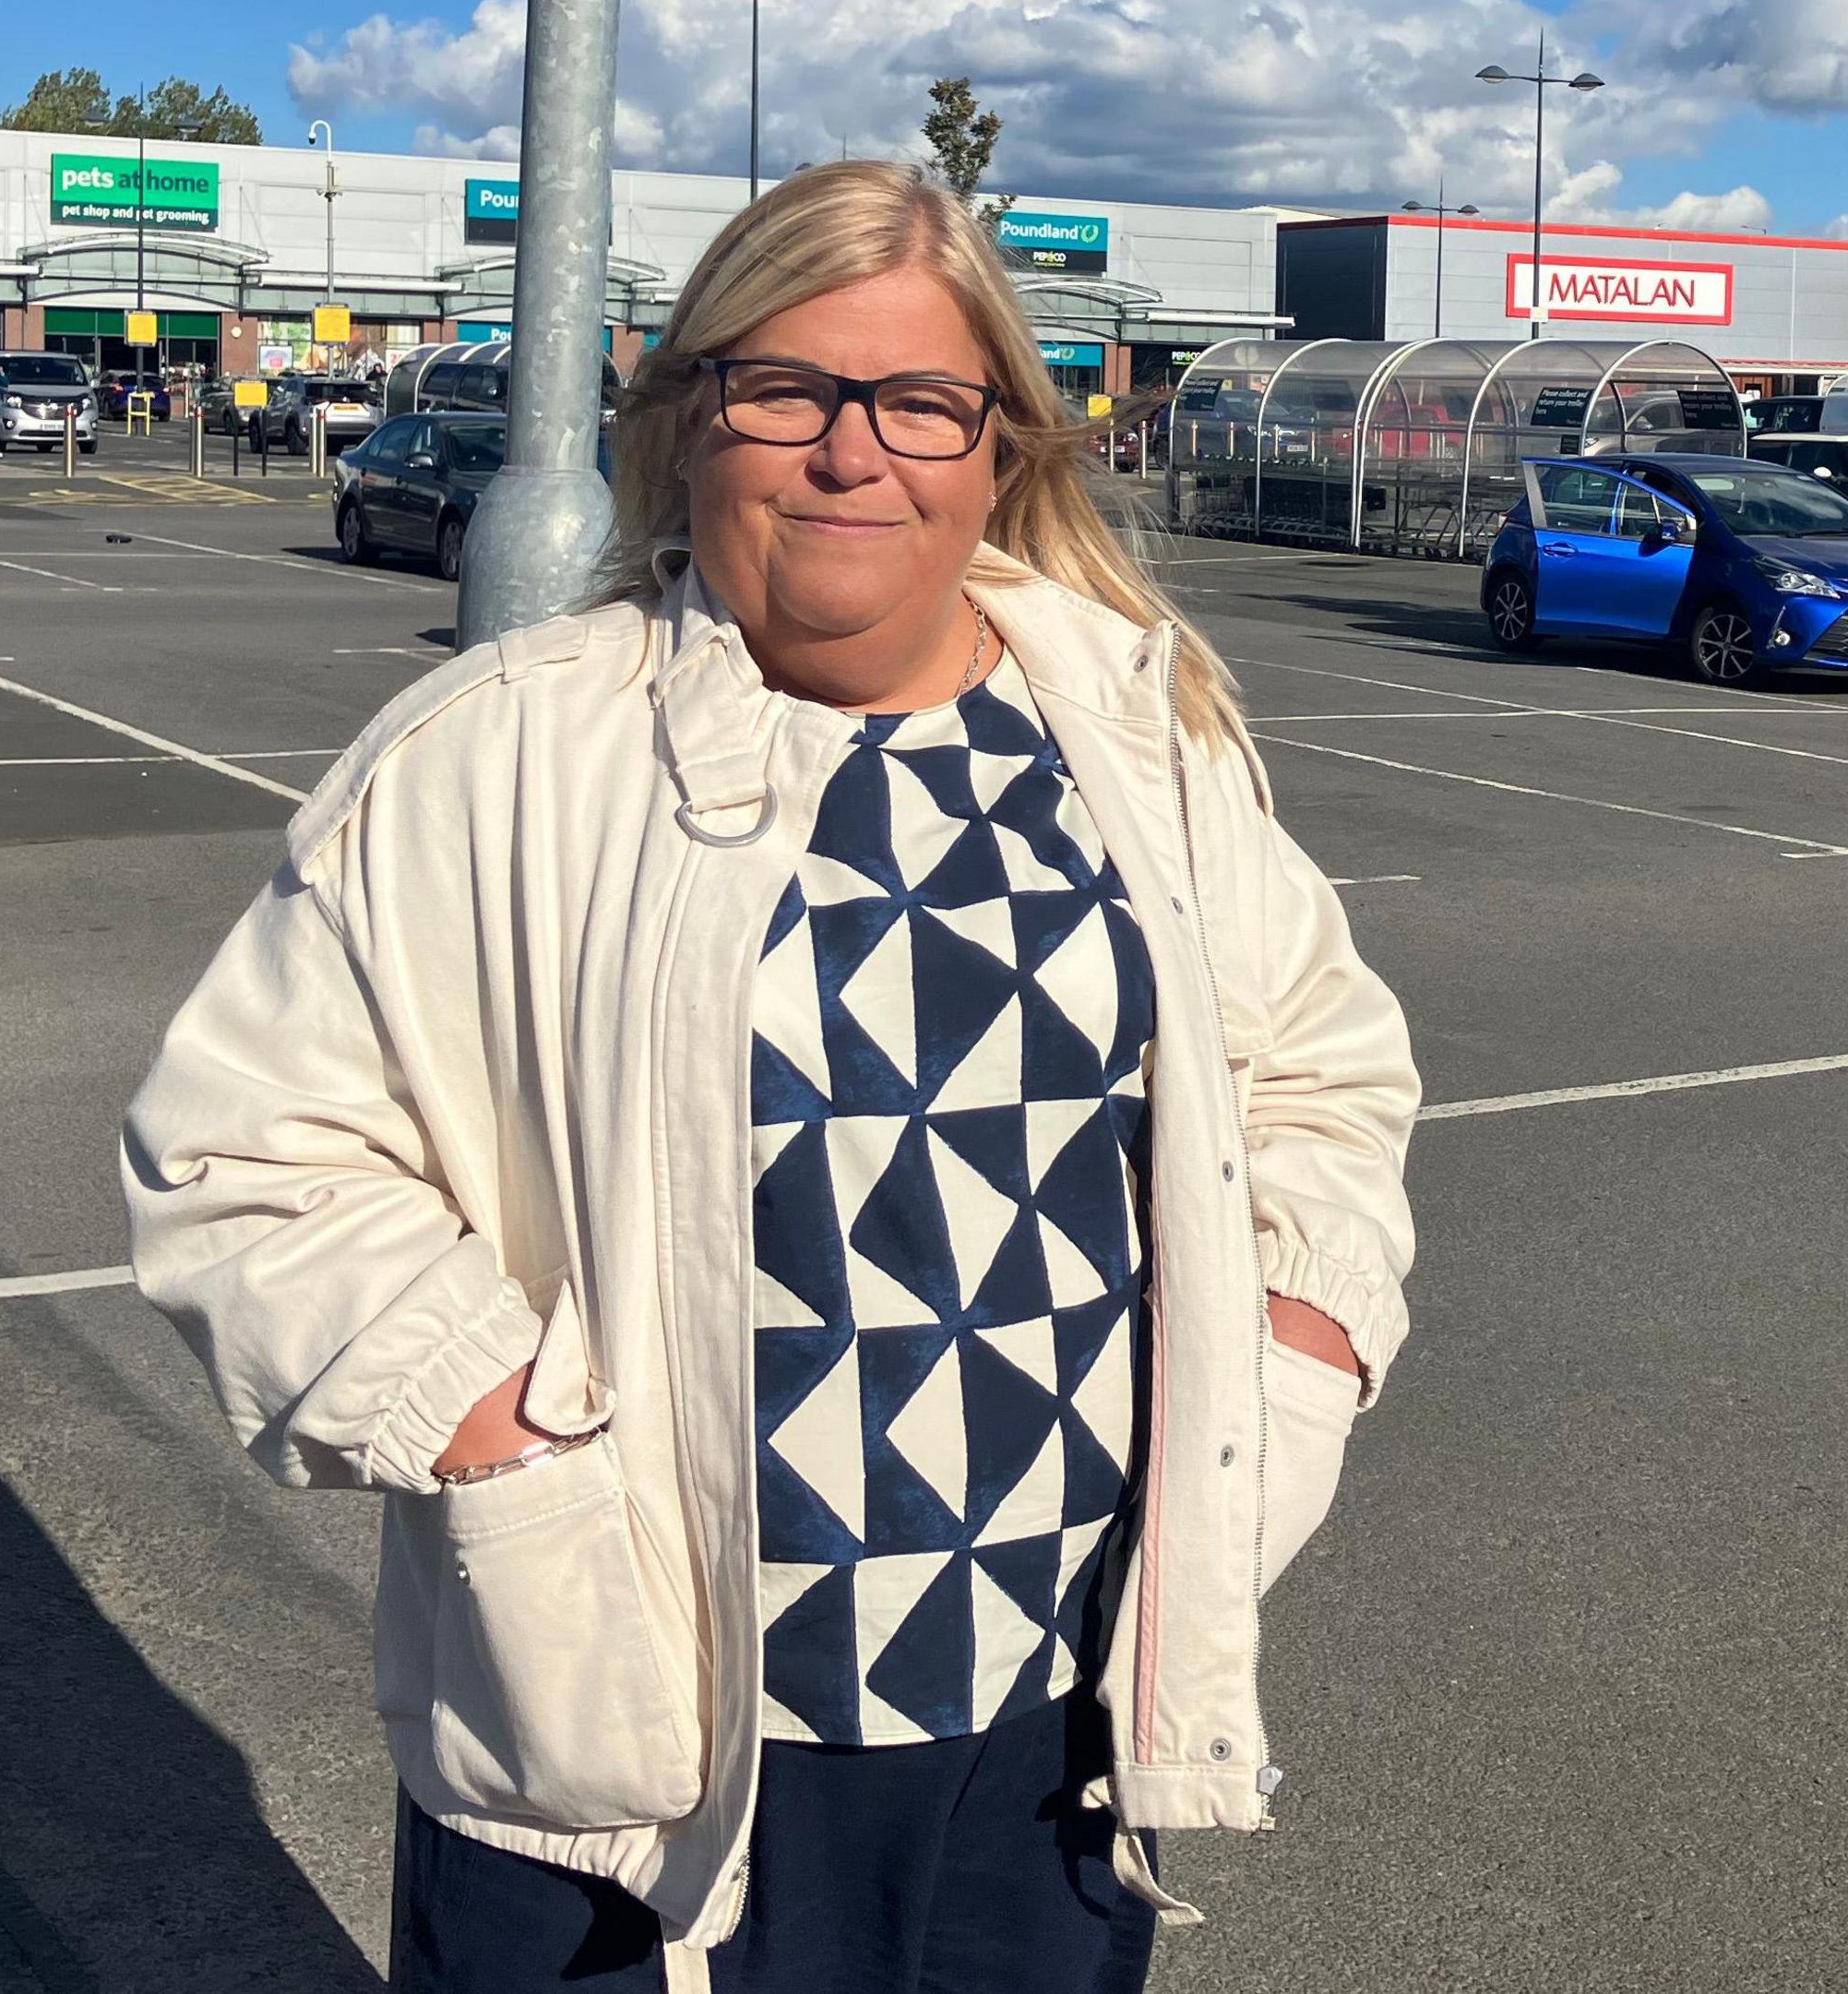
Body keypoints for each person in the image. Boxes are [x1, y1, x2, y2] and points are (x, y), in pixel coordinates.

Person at [125, 161, 1418, 1994]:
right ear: (687, 414)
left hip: (1052, 1724)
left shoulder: (1144, 737)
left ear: (999, 453)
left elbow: (1320, 1077)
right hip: (629, 1741)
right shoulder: (500, 757)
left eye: (916, 403)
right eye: (786, 390)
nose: (848, 454)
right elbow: (243, 1157)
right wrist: (501, 1441)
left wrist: (1299, 1346)